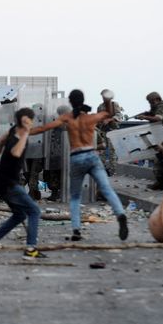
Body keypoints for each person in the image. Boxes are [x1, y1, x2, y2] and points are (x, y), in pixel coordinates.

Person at [31, 89, 128, 242]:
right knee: (107, 189)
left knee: (75, 197)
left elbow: (44, 128)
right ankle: (120, 214)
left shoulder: (67, 118)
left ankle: (76, 230)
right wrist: (108, 101)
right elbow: (108, 114)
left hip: (76, 157)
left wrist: (24, 132)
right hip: (91, 155)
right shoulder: (90, 118)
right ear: (83, 100)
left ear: (70, 102)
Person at [0, 107, 47, 260]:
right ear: (26, 120)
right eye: (30, 119)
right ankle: (31, 250)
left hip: (3, 181)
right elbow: (16, 152)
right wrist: (26, 133)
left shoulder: (13, 130)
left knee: (20, 214)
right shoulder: (20, 135)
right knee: (34, 211)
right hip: (8, 183)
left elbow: (2, 139)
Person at [135, 92, 163, 190]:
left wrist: (144, 117)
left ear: (156, 99)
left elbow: (158, 118)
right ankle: (162, 182)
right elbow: (154, 114)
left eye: (151, 102)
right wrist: (147, 113)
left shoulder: (162, 106)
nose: (150, 104)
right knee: (160, 159)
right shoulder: (157, 107)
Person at [96, 90, 124, 176]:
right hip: (103, 131)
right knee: (101, 151)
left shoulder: (114, 105)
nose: (103, 98)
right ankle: (102, 169)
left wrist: (109, 119)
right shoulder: (100, 107)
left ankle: (112, 171)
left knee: (113, 152)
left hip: (112, 131)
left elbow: (119, 116)